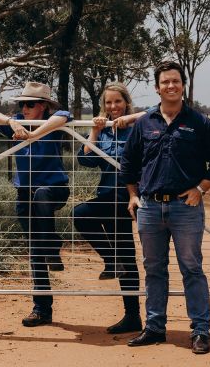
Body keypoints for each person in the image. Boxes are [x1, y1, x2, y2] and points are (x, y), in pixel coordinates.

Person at [119, 61, 210, 354]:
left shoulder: (199, 123)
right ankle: (154, 327)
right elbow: (128, 164)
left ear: (183, 86)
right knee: (154, 269)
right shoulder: (144, 123)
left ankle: (200, 331)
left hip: (185, 208)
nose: (171, 86)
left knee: (192, 268)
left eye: (176, 82)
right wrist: (133, 195)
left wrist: (200, 189)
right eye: (165, 82)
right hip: (150, 208)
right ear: (157, 88)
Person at [0, 82, 72, 327]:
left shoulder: (54, 123)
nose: (25, 108)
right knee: (36, 249)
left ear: (43, 106)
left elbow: (66, 114)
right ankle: (42, 308)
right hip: (24, 192)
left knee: (42, 195)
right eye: (22, 104)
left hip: (54, 189)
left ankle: (52, 242)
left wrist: (34, 133)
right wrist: (12, 122)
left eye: (30, 104)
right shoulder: (16, 123)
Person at [73, 83, 145, 334]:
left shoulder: (138, 127)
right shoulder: (102, 131)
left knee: (81, 215)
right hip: (107, 194)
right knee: (124, 252)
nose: (113, 107)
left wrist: (130, 118)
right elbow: (85, 160)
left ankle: (132, 312)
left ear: (126, 102)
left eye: (118, 102)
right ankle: (132, 313)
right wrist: (94, 130)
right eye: (109, 103)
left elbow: (158, 112)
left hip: (129, 195)